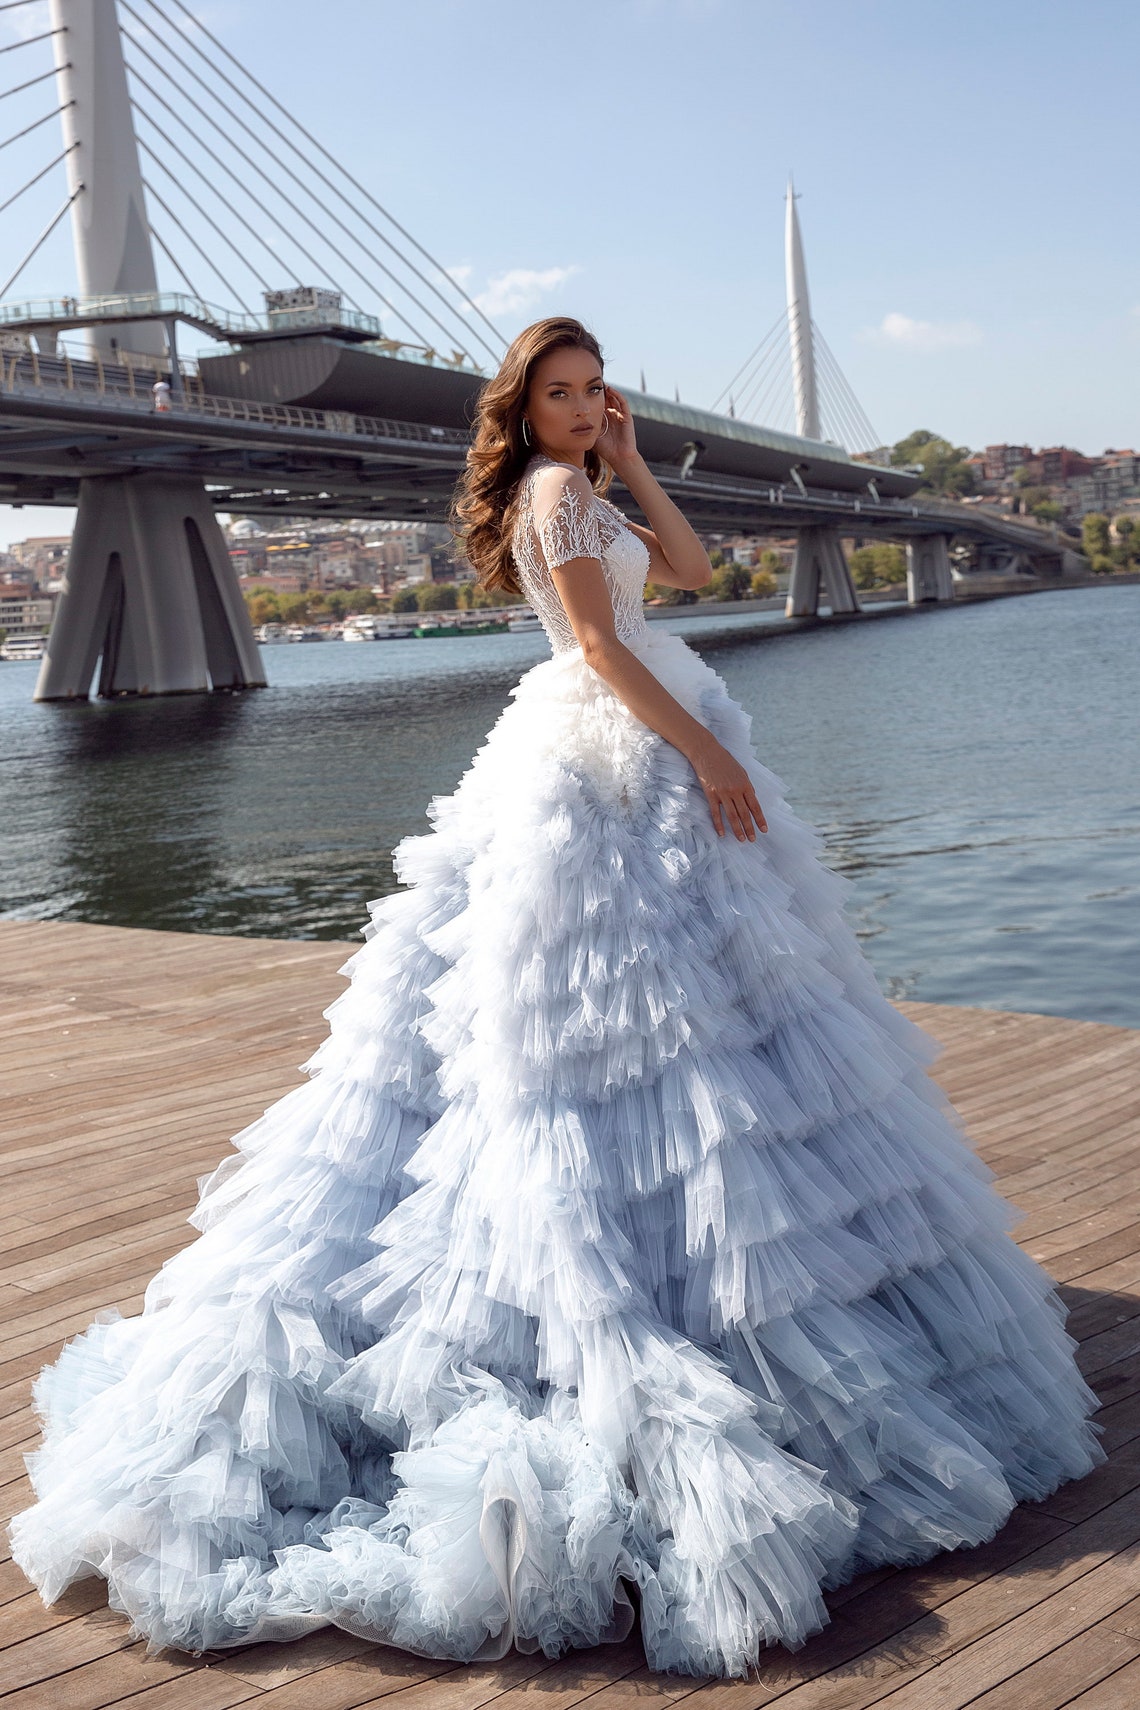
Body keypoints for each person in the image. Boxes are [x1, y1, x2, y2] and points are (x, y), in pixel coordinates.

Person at [9, 317, 1104, 1680]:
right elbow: (598, 648)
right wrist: (705, 748)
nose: (587, 411)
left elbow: (696, 573)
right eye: (565, 396)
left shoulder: (595, 484)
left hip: (650, 745)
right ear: (523, 412)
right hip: (609, 767)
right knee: (604, 1039)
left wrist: (642, 467)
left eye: (596, 393)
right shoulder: (541, 496)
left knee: (712, 1031)